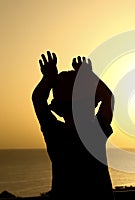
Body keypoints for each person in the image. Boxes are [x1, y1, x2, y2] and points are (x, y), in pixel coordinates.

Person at [32, 51, 115, 199]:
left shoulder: (55, 133)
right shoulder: (96, 131)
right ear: (92, 104)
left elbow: (38, 99)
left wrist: (49, 77)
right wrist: (88, 77)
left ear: (60, 109)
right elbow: (108, 97)